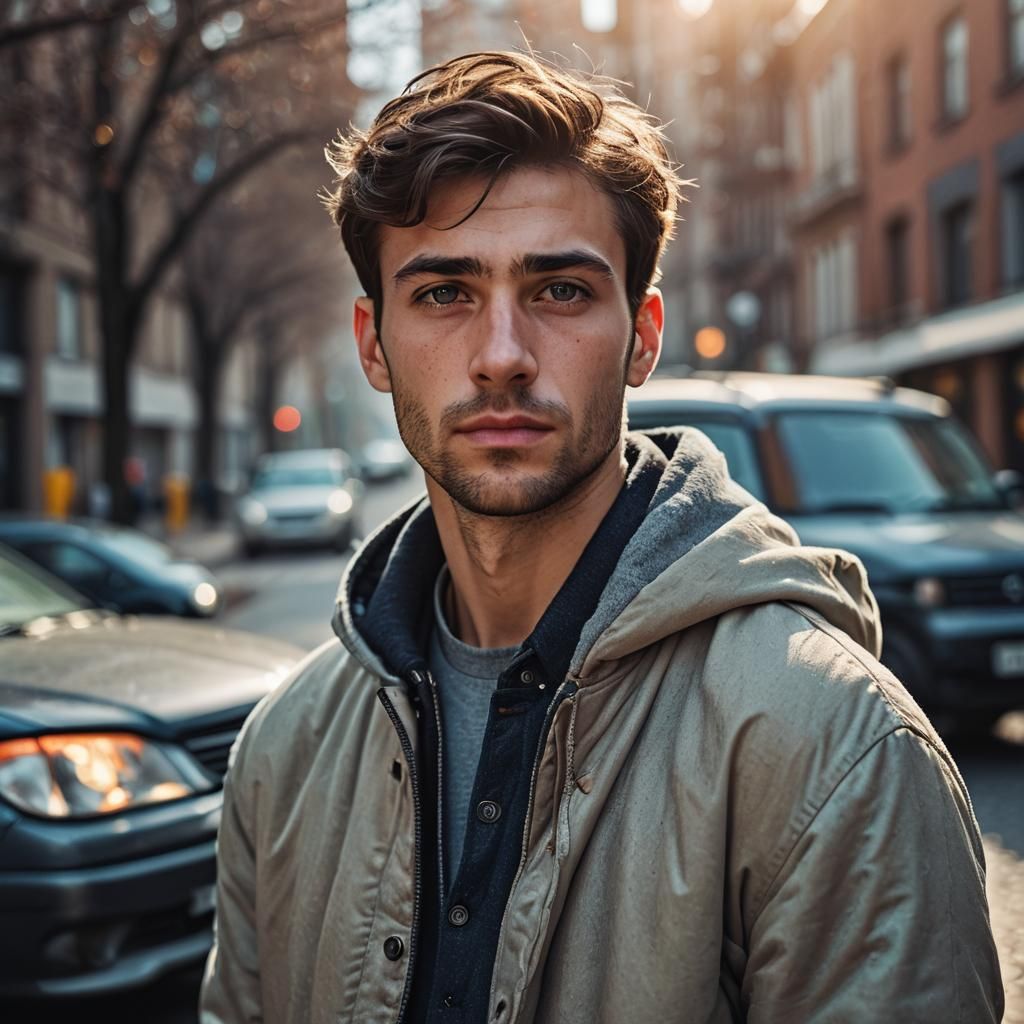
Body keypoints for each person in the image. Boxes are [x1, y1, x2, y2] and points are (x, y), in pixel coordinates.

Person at [200, 51, 1003, 1024]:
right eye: (445, 293)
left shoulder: (831, 748)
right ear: (373, 342)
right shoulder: (282, 752)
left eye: (560, 291)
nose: (501, 355)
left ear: (642, 334)